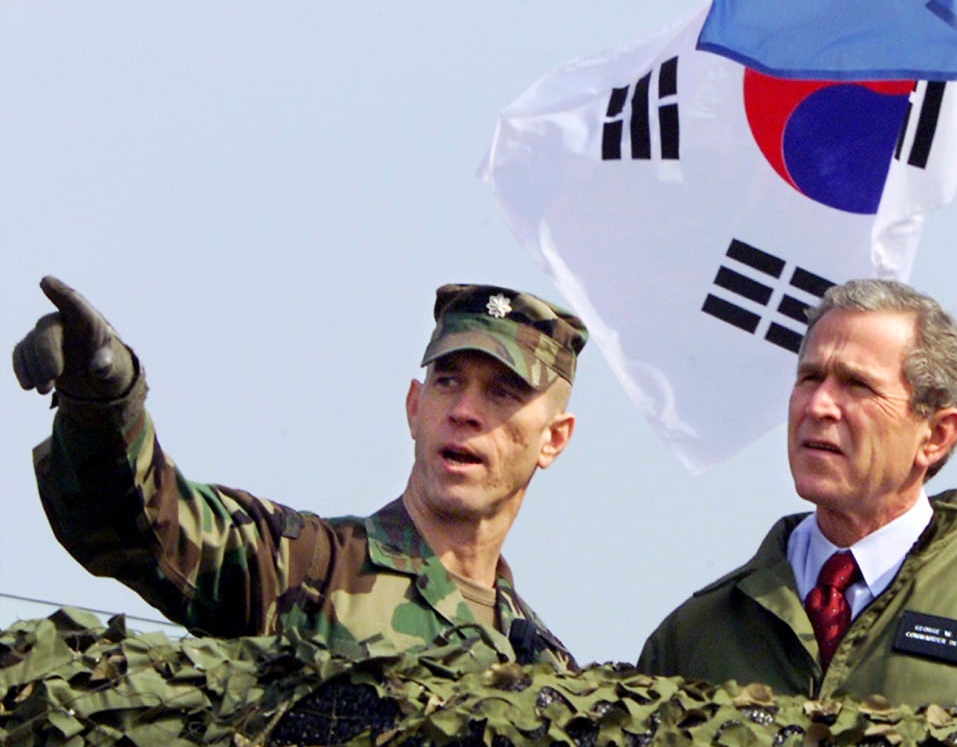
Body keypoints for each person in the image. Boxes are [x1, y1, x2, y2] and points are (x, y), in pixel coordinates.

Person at [13, 277, 587, 670]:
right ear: (414, 406)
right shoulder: (306, 568)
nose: (464, 410)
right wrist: (104, 398)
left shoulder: (545, 668)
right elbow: (145, 524)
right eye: (448, 381)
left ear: (553, 439)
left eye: (502, 392)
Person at [638, 279, 957, 712]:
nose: (819, 405)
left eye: (857, 386)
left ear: (936, 435)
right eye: (810, 377)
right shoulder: (698, 634)